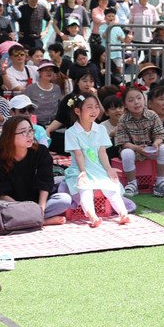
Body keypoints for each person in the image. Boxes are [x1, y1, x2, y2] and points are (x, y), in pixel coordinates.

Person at [0, 115, 71, 224]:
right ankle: (40, 221)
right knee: (2, 209)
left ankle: (34, 219)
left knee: (64, 200)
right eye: (23, 132)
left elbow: (45, 182)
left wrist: (41, 209)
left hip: (36, 203)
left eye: (31, 131)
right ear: (10, 136)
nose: (29, 135)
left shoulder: (41, 152)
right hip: (13, 205)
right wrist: (23, 209)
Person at [63, 92, 132, 227]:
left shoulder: (100, 129)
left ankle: (123, 213)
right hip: (79, 168)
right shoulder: (71, 132)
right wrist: (82, 172)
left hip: (98, 168)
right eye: (89, 107)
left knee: (111, 187)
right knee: (85, 188)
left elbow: (102, 152)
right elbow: (78, 154)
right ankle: (92, 216)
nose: (94, 110)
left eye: (96, 107)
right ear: (77, 110)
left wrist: (108, 169)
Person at [112, 86, 164, 197]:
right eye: (131, 100)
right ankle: (132, 183)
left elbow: (161, 134)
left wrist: (156, 143)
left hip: (151, 149)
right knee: (126, 153)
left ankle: (160, 181)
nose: (136, 102)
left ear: (144, 99)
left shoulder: (152, 115)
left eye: (139, 98)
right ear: (125, 104)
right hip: (133, 150)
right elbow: (123, 142)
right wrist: (136, 148)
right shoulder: (123, 120)